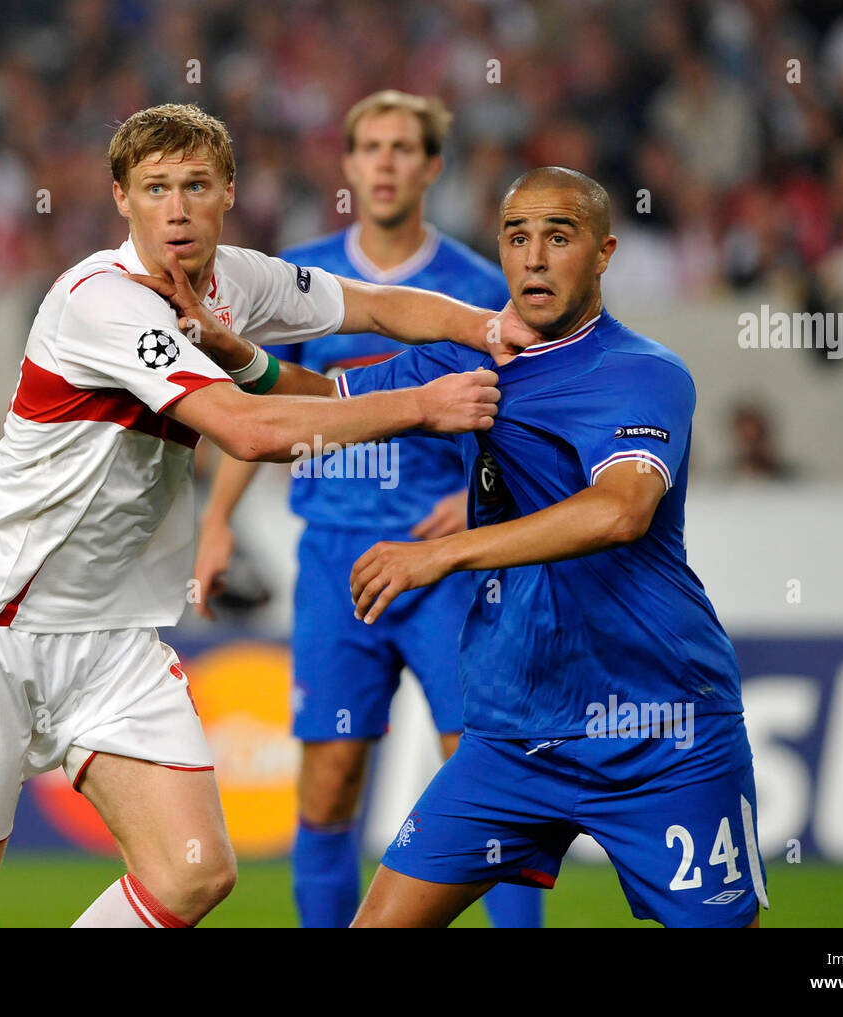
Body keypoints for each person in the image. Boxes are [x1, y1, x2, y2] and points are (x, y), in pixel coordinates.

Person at [0, 103, 529, 929]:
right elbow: (247, 428)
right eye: (156, 187)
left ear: (228, 192)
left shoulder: (236, 282)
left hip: (111, 639)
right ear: (122, 198)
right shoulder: (98, 302)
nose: (177, 207)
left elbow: (377, 306)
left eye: (196, 186)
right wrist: (420, 405)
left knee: (193, 871)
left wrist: (491, 327)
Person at [335, 167, 767, 927]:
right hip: (513, 733)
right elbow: (310, 396)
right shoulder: (464, 359)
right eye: (517, 237)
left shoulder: (640, 372)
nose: (534, 257)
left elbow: (620, 510)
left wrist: (439, 553)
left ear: (603, 253)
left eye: (557, 237)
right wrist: (216, 351)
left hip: (661, 730)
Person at [194, 90, 541, 928]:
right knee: (330, 780)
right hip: (334, 559)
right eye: (370, 147)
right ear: (348, 166)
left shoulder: (477, 285)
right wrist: (216, 522)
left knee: (487, 778)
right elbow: (258, 406)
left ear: (431, 167)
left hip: (449, 565)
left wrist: (476, 500)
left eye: (402, 148)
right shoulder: (298, 275)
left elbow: (531, 420)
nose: (384, 162)